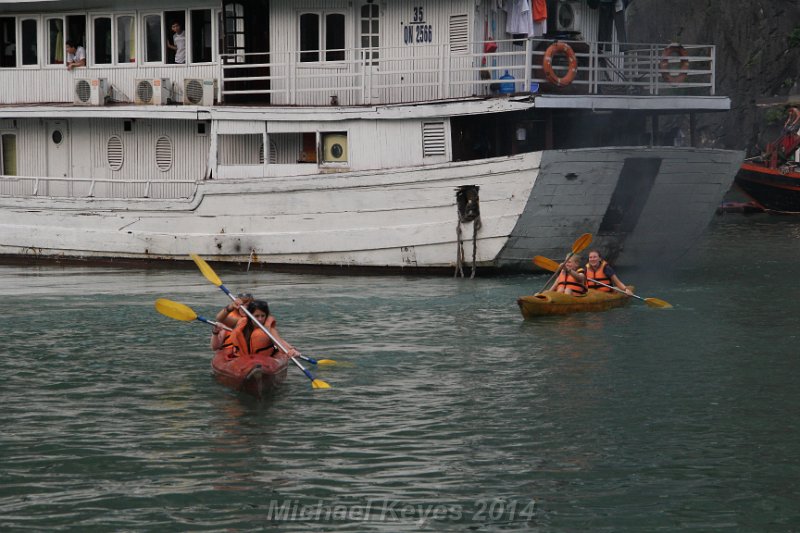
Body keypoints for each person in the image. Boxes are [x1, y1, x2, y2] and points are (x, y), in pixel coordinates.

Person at [228, 300, 300, 358]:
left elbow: (279, 343)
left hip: (264, 361)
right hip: (243, 360)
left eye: (263, 316)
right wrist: (230, 306)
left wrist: (290, 350)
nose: (260, 319)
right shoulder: (241, 323)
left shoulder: (269, 329)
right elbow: (220, 319)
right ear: (250, 316)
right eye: (256, 316)